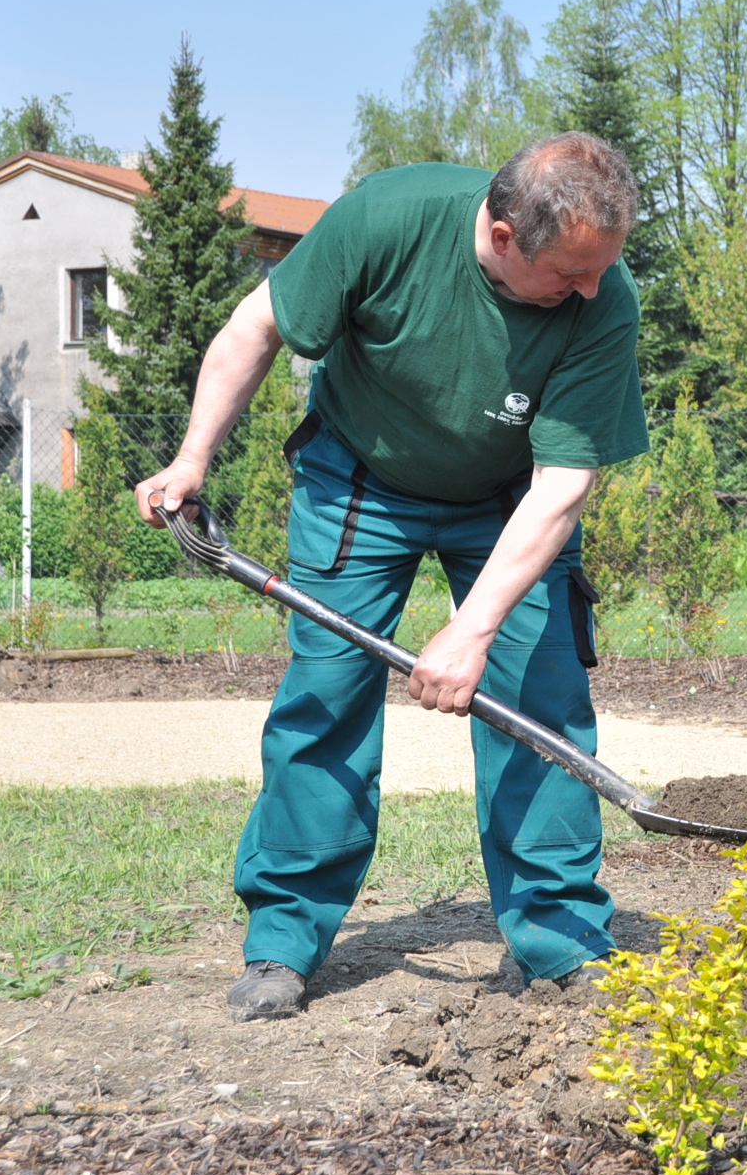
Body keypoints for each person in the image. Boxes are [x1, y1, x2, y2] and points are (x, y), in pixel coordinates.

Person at [135, 134, 647, 1021]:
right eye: (570, 273)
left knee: (538, 702)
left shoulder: (606, 300)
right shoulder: (388, 217)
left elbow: (562, 486)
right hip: (362, 475)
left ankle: (561, 939)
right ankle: (284, 940)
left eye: (603, 269)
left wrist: (474, 627)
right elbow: (255, 327)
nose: (592, 289)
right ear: (499, 236)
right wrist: (191, 459)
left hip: (511, 496)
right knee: (326, 697)